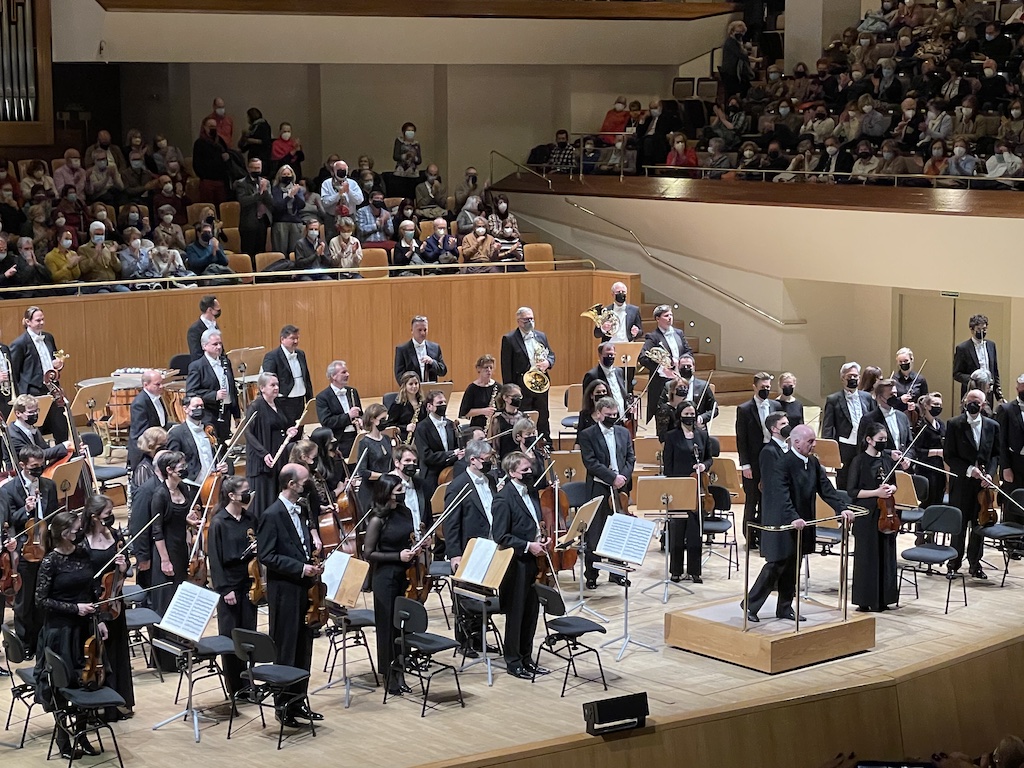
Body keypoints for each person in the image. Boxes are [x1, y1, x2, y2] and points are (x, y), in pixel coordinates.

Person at [744, 426, 852, 622]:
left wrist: (841, 507)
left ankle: (785, 607)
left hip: (803, 523)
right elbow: (781, 495)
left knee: (794, 566)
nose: (814, 445)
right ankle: (750, 605)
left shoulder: (813, 462)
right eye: (810, 441)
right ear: (796, 442)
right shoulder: (782, 464)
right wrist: (792, 517)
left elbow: (826, 489)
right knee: (776, 565)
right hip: (784, 522)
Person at [32, 510, 105, 759]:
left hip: (84, 629)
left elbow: (91, 586)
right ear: (64, 533)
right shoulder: (50, 561)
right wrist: (75, 608)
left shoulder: (83, 552)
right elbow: (41, 600)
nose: (80, 532)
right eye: (75, 529)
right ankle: (64, 740)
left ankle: (82, 734)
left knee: (86, 681)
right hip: (60, 632)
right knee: (62, 685)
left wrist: (99, 615)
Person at [256, 463, 323, 727]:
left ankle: (299, 701)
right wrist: (300, 567)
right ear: (291, 484)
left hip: (305, 588)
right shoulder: (271, 515)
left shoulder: (303, 508)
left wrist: (312, 562)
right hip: (284, 590)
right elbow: (267, 556)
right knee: (286, 648)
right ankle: (283, 705)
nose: (309, 485)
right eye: (305, 481)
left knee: (304, 646)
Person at [493, 451, 549, 679]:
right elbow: (500, 536)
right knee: (516, 615)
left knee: (531, 612)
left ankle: (527, 657)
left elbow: (534, 523)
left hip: (534, 561)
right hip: (516, 564)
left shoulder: (531, 493)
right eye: (525, 469)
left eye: (530, 468)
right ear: (512, 472)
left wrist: (541, 539)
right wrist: (528, 545)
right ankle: (514, 661)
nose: (530, 472)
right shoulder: (503, 498)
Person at [362, 473, 418, 695]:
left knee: (403, 626)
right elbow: (368, 553)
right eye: (397, 490)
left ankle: (402, 670)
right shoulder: (377, 519)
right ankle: (389, 674)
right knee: (387, 627)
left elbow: (410, 538)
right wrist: (398, 556)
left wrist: (417, 548)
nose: (402, 492)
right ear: (387, 493)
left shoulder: (405, 512)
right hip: (385, 578)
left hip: (406, 574)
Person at [3, 445, 59, 656]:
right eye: (34, 466)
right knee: (24, 602)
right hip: (24, 551)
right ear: (22, 466)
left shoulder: (49, 486)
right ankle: (25, 644)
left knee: (43, 597)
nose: (39, 469)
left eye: (41, 465)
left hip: (47, 547)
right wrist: (25, 510)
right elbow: (9, 521)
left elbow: (53, 515)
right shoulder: (9, 490)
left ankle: (42, 640)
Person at [81, 494, 134, 718]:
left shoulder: (115, 535)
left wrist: (123, 568)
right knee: (100, 656)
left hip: (114, 601)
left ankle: (119, 701)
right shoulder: (82, 542)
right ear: (94, 517)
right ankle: (99, 703)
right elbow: (82, 576)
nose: (111, 518)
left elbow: (126, 566)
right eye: (107, 514)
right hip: (95, 604)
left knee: (118, 652)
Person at [444, 439, 498, 654]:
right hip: (469, 548)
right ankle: (464, 642)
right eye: (486, 460)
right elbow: (451, 523)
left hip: (490, 545)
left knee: (484, 594)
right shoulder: (458, 486)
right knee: (466, 596)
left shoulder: (490, 481)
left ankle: (480, 638)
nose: (490, 463)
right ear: (473, 460)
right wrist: (455, 554)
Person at [150, 451, 201, 670]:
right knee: (167, 603)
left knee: (181, 601)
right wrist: (164, 560)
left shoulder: (185, 489)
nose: (184, 467)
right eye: (180, 465)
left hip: (181, 549)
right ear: (169, 470)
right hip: (166, 552)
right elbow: (157, 530)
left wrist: (189, 522)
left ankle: (183, 650)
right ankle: (166, 660)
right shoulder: (160, 495)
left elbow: (181, 518)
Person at [208, 475, 258, 698]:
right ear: (231, 496)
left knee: (249, 635)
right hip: (230, 585)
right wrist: (225, 589)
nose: (249, 494)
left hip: (250, 583)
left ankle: (250, 682)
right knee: (231, 637)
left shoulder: (250, 519)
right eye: (244, 491)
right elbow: (215, 560)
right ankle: (236, 687)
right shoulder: (219, 522)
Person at [579, 397, 636, 589]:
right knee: (595, 533)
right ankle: (592, 574)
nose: (612, 418)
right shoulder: (587, 435)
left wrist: (623, 478)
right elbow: (590, 462)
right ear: (598, 414)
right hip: (599, 487)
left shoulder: (622, 432)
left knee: (618, 531)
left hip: (620, 488)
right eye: (608, 415)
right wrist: (612, 477)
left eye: (614, 414)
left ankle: (617, 573)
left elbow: (630, 457)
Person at [944, 389, 1000, 579]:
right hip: (961, 483)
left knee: (980, 523)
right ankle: (954, 562)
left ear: (983, 405)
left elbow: (995, 454)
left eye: (977, 401)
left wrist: (990, 475)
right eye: (970, 400)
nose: (973, 403)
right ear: (965, 402)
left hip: (982, 486)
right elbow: (949, 455)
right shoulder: (954, 424)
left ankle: (975, 563)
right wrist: (969, 470)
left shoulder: (992, 426)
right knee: (959, 525)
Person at [847, 424, 900, 612]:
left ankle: (884, 598)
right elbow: (852, 491)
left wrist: (891, 489)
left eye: (885, 439)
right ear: (869, 440)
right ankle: (866, 599)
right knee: (868, 557)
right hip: (867, 515)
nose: (883, 443)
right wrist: (876, 492)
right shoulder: (859, 461)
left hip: (886, 513)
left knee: (886, 555)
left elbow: (894, 484)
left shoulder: (886, 460)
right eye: (880, 440)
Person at [663, 401, 714, 584]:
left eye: (692, 413)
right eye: (686, 413)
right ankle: (676, 571)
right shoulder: (671, 436)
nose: (690, 417)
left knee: (695, 531)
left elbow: (709, 458)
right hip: (679, 486)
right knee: (677, 530)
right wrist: (672, 486)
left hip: (697, 488)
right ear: (679, 415)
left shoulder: (702, 435)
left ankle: (695, 571)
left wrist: (703, 466)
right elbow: (667, 465)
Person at [736, 373, 783, 548]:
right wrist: (745, 464)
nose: (766, 390)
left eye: (768, 387)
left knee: (767, 500)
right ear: (754, 387)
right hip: (754, 459)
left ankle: (765, 537)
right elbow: (741, 439)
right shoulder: (744, 409)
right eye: (763, 387)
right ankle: (749, 538)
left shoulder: (776, 405)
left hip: (772, 459)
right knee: (752, 500)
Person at [10, 306, 69, 442]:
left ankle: (64, 457)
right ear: (28, 322)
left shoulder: (48, 337)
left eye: (43, 319)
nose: (41, 323)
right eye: (38, 320)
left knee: (61, 426)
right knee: (36, 431)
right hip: (33, 392)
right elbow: (14, 371)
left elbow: (52, 360)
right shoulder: (19, 343)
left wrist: (59, 366)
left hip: (52, 388)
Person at [245, 372, 299, 519]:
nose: (276, 387)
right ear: (262, 388)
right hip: (262, 462)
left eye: (277, 384)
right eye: (272, 385)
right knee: (263, 501)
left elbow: (279, 427)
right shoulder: (255, 406)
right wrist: (263, 453)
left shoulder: (278, 404)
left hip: (278, 458)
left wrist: (289, 431)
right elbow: (248, 434)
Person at [501, 307, 555, 440]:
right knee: (523, 415)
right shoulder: (509, 339)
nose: (530, 321)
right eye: (526, 319)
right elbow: (506, 367)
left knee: (543, 414)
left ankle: (545, 442)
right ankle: (524, 441)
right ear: (519, 321)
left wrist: (548, 363)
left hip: (540, 383)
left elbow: (551, 354)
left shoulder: (541, 336)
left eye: (532, 318)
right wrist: (511, 390)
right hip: (521, 386)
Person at [822, 362, 877, 489]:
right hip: (844, 445)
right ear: (843, 379)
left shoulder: (867, 397)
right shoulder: (833, 399)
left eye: (856, 376)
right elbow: (828, 426)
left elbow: (874, 421)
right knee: (844, 478)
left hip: (864, 444)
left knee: (865, 477)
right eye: (849, 376)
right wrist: (828, 450)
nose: (853, 379)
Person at [639, 305, 693, 423]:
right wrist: (662, 369)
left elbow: (688, 351)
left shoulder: (679, 333)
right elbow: (642, 358)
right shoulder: (653, 337)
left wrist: (682, 360)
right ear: (658, 319)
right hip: (662, 381)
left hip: (681, 378)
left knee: (683, 410)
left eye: (671, 315)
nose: (670, 318)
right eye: (666, 315)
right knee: (663, 415)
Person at [185, 329, 239, 444]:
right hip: (209, 413)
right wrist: (214, 395)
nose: (219, 347)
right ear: (204, 346)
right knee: (212, 443)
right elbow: (191, 392)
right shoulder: (197, 366)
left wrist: (237, 414)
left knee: (223, 443)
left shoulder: (225, 362)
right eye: (215, 344)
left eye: (220, 343)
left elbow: (232, 389)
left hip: (226, 412)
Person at [413, 389, 463, 502]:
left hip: (449, 471)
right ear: (430, 406)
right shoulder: (422, 428)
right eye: (440, 403)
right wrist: (451, 454)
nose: (443, 405)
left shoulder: (450, 424)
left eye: (444, 402)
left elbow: (456, 448)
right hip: (432, 473)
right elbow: (426, 456)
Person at [261, 324, 313, 427]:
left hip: (300, 400)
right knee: (286, 430)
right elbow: (268, 380)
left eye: (297, 338)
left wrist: (309, 399)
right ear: (282, 339)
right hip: (283, 401)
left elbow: (306, 378)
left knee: (299, 429)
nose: (296, 341)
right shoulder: (272, 356)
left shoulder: (301, 354)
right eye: (292, 338)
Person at [315, 360, 363, 461]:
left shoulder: (352, 391)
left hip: (356, 435)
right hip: (339, 439)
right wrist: (348, 416)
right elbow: (326, 422)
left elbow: (359, 413)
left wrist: (361, 419)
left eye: (347, 372)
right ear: (333, 376)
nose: (348, 374)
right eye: (343, 372)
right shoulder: (322, 397)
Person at [8, 394, 72, 469]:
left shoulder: (32, 428)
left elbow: (45, 449)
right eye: (31, 412)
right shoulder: (13, 436)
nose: (35, 414)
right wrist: (63, 446)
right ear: (18, 413)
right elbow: (35, 456)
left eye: (36, 411)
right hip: (24, 475)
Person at [127, 369, 170, 470]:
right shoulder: (139, 404)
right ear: (146, 385)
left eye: (162, 383)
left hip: (157, 447)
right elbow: (143, 434)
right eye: (157, 384)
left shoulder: (157, 397)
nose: (161, 386)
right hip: (145, 452)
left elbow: (161, 422)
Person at [953, 313, 1002, 401]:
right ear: (972, 330)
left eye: (984, 329)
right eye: (979, 329)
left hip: (988, 392)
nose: (982, 332)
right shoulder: (963, 348)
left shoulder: (991, 345)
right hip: (971, 392)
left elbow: (995, 371)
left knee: (987, 414)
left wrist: (998, 395)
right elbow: (956, 374)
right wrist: (975, 380)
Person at [911, 392, 947, 510]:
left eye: (940, 405)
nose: (938, 407)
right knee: (927, 502)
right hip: (926, 470)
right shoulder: (920, 425)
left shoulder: (941, 424)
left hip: (940, 469)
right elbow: (917, 451)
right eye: (935, 404)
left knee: (938, 500)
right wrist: (937, 452)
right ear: (926, 406)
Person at [858, 379, 913, 455]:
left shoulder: (902, 416)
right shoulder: (868, 419)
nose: (895, 397)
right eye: (891, 395)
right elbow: (863, 446)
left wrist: (908, 457)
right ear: (880, 397)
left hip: (902, 464)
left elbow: (910, 443)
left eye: (895, 394)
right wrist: (889, 453)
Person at [582, 342, 630, 424]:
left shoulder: (619, 371)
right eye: (607, 354)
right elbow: (587, 401)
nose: (610, 357)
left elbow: (622, 394)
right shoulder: (592, 375)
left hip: (622, 419)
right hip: (604, 420)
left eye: (612, 354)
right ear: (600, 355)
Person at [394, 315, 448, 385]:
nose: (423, 333)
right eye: (419, 330)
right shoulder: (402, 350)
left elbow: (443, 371)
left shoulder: (435, 348)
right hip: (412, 392)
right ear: (412, 331)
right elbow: (399, 375)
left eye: (425, 330)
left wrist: (432, 362)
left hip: (431, 392)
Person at [192, 117, 232, 207]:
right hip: (207, 181)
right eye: (210, 126)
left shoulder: (220, 141)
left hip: (221, 180)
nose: (213, 128)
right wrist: (203, 176)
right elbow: (196, 163)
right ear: (205, 127)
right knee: (208, 207)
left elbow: (226, 154)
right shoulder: (199, 143)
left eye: (214, 126)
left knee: (222, 206)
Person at [270, 165, 306, 257]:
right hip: (280, 222)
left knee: (294, 252)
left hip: (295, 222)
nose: (286, 176)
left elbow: (302, 205)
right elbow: (277, 206)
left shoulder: (297, 189)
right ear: (280, 176)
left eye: (288, 174)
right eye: (284, 174)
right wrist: (289, 197)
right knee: (280, 252)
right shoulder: (275, 189)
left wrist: (295, 194)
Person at [459, 355, 498, 430]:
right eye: (486, 367)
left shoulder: (497, 387)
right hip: (477, 427)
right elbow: (464, 413)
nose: (489, 370)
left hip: (494, 427)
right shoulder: (472, 388)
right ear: (478, 369)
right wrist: (483, 411)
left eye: (491, 367)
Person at [722, 21, 757, 98]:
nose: (740, 34)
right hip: (730, 73)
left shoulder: (738, 43)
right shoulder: (730, 42)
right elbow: (741, 55)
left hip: (737, 73)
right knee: (732, 94)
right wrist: (756, 60)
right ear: (732, 31)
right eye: (738, 31)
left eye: (742, 32)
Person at [388, 371, 424, 442]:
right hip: (404, 438)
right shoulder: (398, 404)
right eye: (411, 384)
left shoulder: (422, 402)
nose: (414, 386)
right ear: (404, 386)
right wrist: (405, 427)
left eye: (416, 383)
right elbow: (389, 425)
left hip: (421, 437)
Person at [186, 297, 222, 363]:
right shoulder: (194, 330)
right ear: (210, 310)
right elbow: (196, 355)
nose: (219, 310)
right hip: (204, 368)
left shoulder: (214, 325)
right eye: (217, 309)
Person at [893, 347, 928, 411]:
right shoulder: (893, 380)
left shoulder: (920, 379)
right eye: (900, 361)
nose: (903, 363)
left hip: (915, 416)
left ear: (911, 360)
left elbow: (925, 401)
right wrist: (900, 400)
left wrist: (916, 406)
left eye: (906, 361)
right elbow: (889, 402)